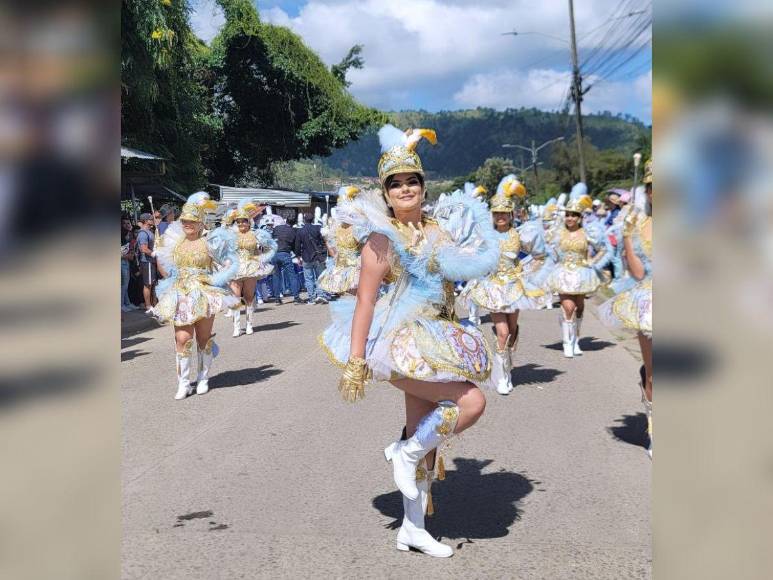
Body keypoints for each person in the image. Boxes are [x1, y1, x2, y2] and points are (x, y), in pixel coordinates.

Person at [319, 125, 500, 558]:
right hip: (400, 340)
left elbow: (457, 276)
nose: (405, 189)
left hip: (440, 336)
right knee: (471, 402)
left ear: (423, 185)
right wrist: (357, 360)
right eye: (395, 183)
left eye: (412, 181)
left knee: (425, 440)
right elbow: (364, 302)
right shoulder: (381, 239)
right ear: (385, 192)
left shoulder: (438, 231)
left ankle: (412, 529)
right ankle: (403, 453)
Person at [461, 175, 547, 395]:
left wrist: (525, 274)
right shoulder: (485, 236)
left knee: (512, 330)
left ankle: (507, 364)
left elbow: (539, 255)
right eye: (496, 213)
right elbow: (475, 257)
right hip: (493, 288)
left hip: (514, 287)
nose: (500, 216)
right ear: (492, 215)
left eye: (503, 213)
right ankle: (502, 376)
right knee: (502, 331)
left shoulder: (519, 235)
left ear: (511, 214)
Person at [152, 192, 240, 399]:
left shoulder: (210, 241)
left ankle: (203, 378)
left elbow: (229, 264)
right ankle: (183, 384)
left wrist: (214, 279)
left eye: (192, 221)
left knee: (203, 338)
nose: (187, 224)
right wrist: (173, 278)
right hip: (180, 294)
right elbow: (163, 265)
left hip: (203, 293)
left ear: (200, 223)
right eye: (184, 221)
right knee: (182, 338)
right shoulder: (175, 241)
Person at [598, 159, 653, 458]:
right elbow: (638, 273)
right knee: (656, 374)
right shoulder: (639, 226)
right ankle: (655, 431)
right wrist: (628, 237)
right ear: (648, 192)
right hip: (650, 301)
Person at [545, 184, 607, 358]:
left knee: (579, 308)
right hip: (563, 273)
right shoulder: (558, 232)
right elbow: (548, 247)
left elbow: (603, 248)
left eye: (573, 215)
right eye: (568, 215)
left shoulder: (588, 233)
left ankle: (576, 340)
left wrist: (592, 262)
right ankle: (567, 343)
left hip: (582, 273)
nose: (570, 218)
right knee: (568, 307)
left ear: (580, 218)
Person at [226, 199, 276, 337]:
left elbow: (267, 247)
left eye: (244, 221)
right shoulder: (231, 235)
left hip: (250, 268)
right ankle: (236, 327)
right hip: (235, 268)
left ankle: (249, 324)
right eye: (239, 221)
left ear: (249, 222)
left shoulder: (255, 235)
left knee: (248, 297)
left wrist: (260, 257)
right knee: (236, 297)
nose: (241, 223)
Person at [317, 186, 363, 297]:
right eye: (340, 207)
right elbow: (335, 254)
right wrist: (326, 239)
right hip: (341, 272)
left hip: (357, 272)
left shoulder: (360, 228)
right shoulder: (336, 229)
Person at [295, 211, 330, 304]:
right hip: (318, 257)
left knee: (308, 278)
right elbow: (323, 242)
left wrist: (298, 257)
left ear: (304, 220)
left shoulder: (300, 231)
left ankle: (311, 298)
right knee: (320, 277)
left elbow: (297, 245)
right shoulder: (318, 228)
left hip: (306, 257)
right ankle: (321, 295)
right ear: (313, 219)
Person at [270, 217, 302, 305]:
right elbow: (296, 246)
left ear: (285, 221)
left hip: (274, 254)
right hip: (285, 253)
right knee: (292, 276)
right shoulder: (293, 231)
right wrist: (297, 255)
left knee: (276, 276)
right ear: (293, 223)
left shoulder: (277, 228)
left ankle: (277, 298)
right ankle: (296, 297)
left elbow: (272, 240)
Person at [136, 212, 158, 311]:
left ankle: (154, 304)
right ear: (145, 221)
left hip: (152, 261)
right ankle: (148, 306)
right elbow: (143, 249)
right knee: (148, 284)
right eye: (150, 219)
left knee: (152, 284)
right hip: (147, 262)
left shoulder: (150, 231)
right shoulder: (143, 233)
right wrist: (154, 254)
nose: (152, 220)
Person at [121, 216, 140, 311]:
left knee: (126, 284)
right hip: (122, 262)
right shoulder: (121, 236)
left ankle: (127, 303)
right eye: (124, 223)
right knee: (123, 284)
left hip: (127, 262)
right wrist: (127, 256)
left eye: (128, 223)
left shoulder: (129, 235)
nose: (127, 225)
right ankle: (121, 305)